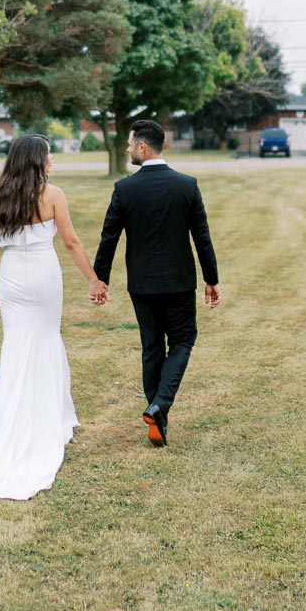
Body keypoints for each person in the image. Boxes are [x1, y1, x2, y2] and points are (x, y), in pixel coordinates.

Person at [0, 133, 107, 501]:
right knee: (46, 340)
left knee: (16, 346)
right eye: (48, 155)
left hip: (13, 278)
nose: (52, 160)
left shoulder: (0, 195)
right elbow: (72, 242)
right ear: (36, 160)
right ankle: (48, 420)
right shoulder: (53, 195)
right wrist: (93, 279)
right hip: (44, 277)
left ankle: (10, 422)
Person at [92, 119, 220, 446]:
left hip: (143, 284)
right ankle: (160, 405)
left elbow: (109, 237)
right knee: (183, 340)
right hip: (179, 282)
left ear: (143, 148)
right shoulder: (187, 185)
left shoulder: (125, 189)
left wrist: (100, 278)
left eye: (131, 144)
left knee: (151, 345)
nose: (128, 149)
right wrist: (211, 279)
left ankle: (156, 413)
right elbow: (201, 238)